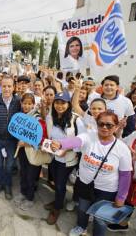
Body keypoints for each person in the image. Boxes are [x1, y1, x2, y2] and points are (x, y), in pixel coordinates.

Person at [50, 111, 132, 236]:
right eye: (101, 124)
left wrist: (121, 198)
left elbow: (125, 175)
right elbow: (76, 141)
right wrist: (61, 143)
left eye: (109, 125)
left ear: (116, 127)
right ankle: (81, 226)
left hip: (107, 190)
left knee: (100, 218)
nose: (104, 127)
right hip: (85, 183)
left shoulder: (122, 148)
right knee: (82, 209)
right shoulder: (89, 136)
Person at [45, 91, 79, 225]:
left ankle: (57, 209)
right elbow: (49, 136)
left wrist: (67, 148)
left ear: (68, 104)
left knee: (60, 184)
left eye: (63, 103)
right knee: (56, 182)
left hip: (67, 159)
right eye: (57, 103)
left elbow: (80, 141)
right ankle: (58, 200)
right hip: (53, 156)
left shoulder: (75, 119)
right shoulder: (50, 117)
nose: (59, 106)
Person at [0, 75, 21, 200]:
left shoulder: (18, 101)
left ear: (13, 87)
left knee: (9, 165)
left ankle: (7, 185)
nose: (6, 89)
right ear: (0, 87)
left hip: (12, 140)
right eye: (4, 86)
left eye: (9, 86)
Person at [14, 93, 47, 211]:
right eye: (25, 103)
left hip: (33, 151)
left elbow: (40, 137)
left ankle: (29, 198)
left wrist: (26, 143)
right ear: (21, 103)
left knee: (31, 175)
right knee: (23, 172)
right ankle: (23, 192)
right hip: (22, 151)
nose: (27, 106)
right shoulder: (20, 116)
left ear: (33, 105)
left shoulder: (37, 117)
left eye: (29, 104)